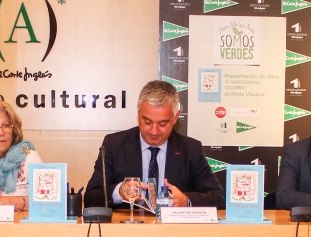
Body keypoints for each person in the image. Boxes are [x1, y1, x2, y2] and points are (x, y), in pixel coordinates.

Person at [84, 80, 225, 209]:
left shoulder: (190, 149)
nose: (154, 131)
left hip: (173, 228)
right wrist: (119, 192)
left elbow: (218, 197)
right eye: (147, 122)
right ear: (138, 114)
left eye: (162, 124)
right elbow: (90, 198)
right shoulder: (114, 145)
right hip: (128, 226)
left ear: (175, 117)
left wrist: (186, 200)